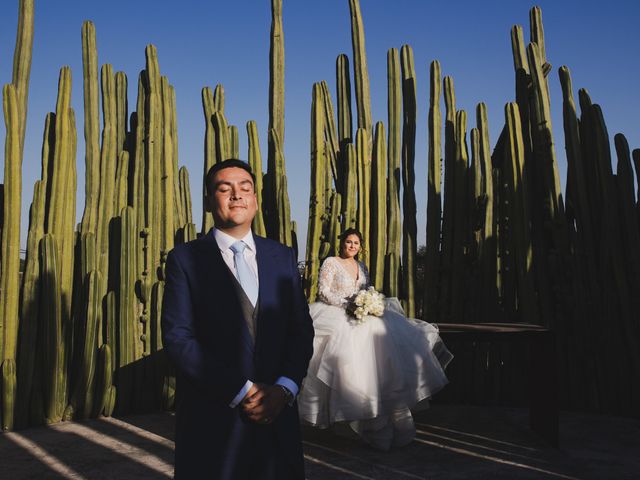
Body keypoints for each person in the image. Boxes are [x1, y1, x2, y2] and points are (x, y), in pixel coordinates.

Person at [161, 159, 314, 479]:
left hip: (278, 416)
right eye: (224, 188)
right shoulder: (185, 259)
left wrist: (285, 388)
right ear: (208, 200)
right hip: (213, 417)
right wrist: (242, 391)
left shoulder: (282, 256)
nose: (236, 195)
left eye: (245, 188)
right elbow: (179, 338)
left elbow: (300, 329)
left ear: (255, 199)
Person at [297, 228, 453, 451]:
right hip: (338, 314)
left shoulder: (361, 266)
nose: (352, 246)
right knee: (349, 366)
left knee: (381, 363)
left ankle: (387, 418)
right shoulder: (331, 262)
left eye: (356, 243)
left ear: (360, 247)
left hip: (363, 314)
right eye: (349, 242)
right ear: (341, 243)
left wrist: (368, 302)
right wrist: (348, 305)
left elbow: (367, 288)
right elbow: (324, 291)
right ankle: (363, 420)